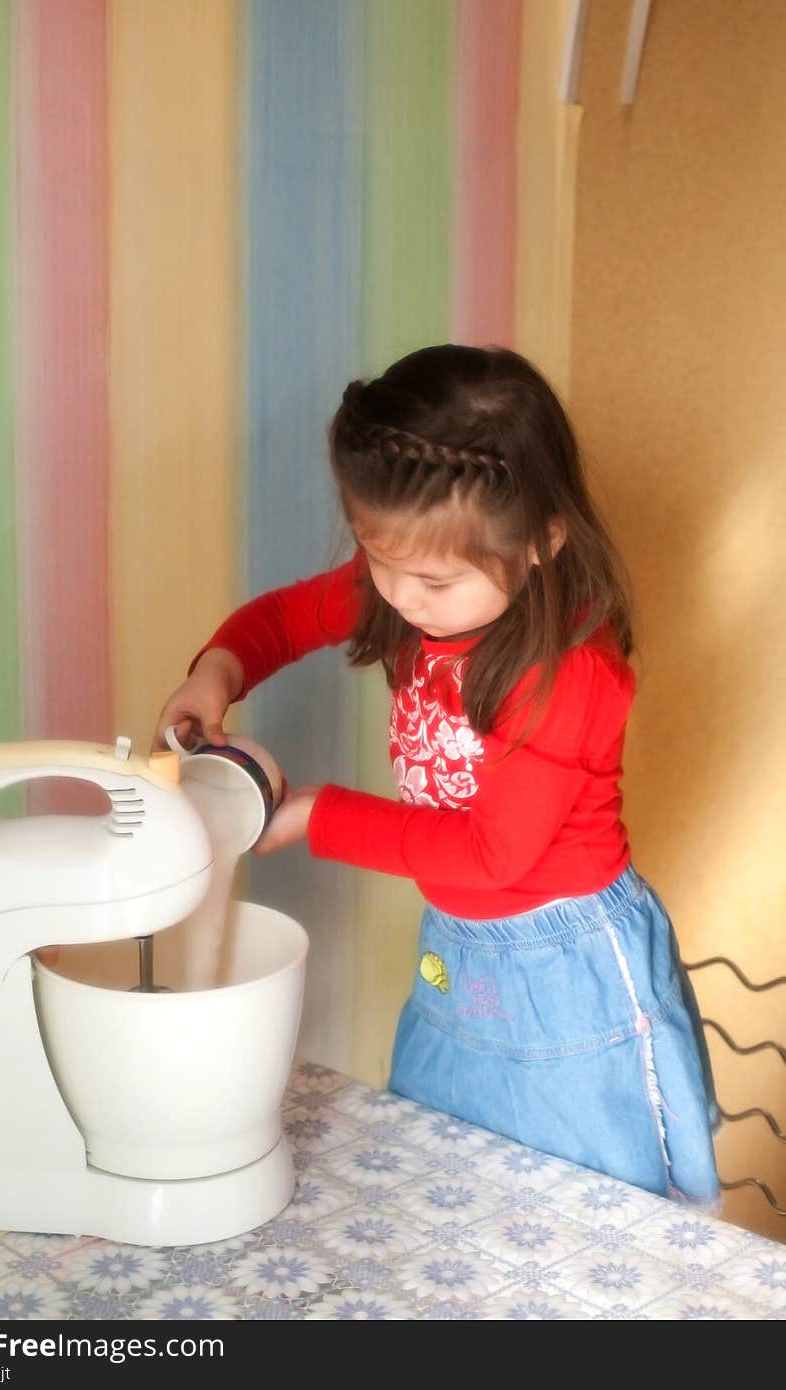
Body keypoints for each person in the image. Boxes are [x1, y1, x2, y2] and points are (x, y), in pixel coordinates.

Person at [155, 344, 719, 1204]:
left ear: (544, 539)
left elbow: (498, 857)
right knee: (446, 1179)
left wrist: (317, 815)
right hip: (458, 942)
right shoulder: (409, 583)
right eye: (379, 562)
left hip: (564, 966)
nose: (400, 596)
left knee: (584, 1210)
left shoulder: (572, 673)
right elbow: (286, 617)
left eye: (433, 580)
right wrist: (216, 674)